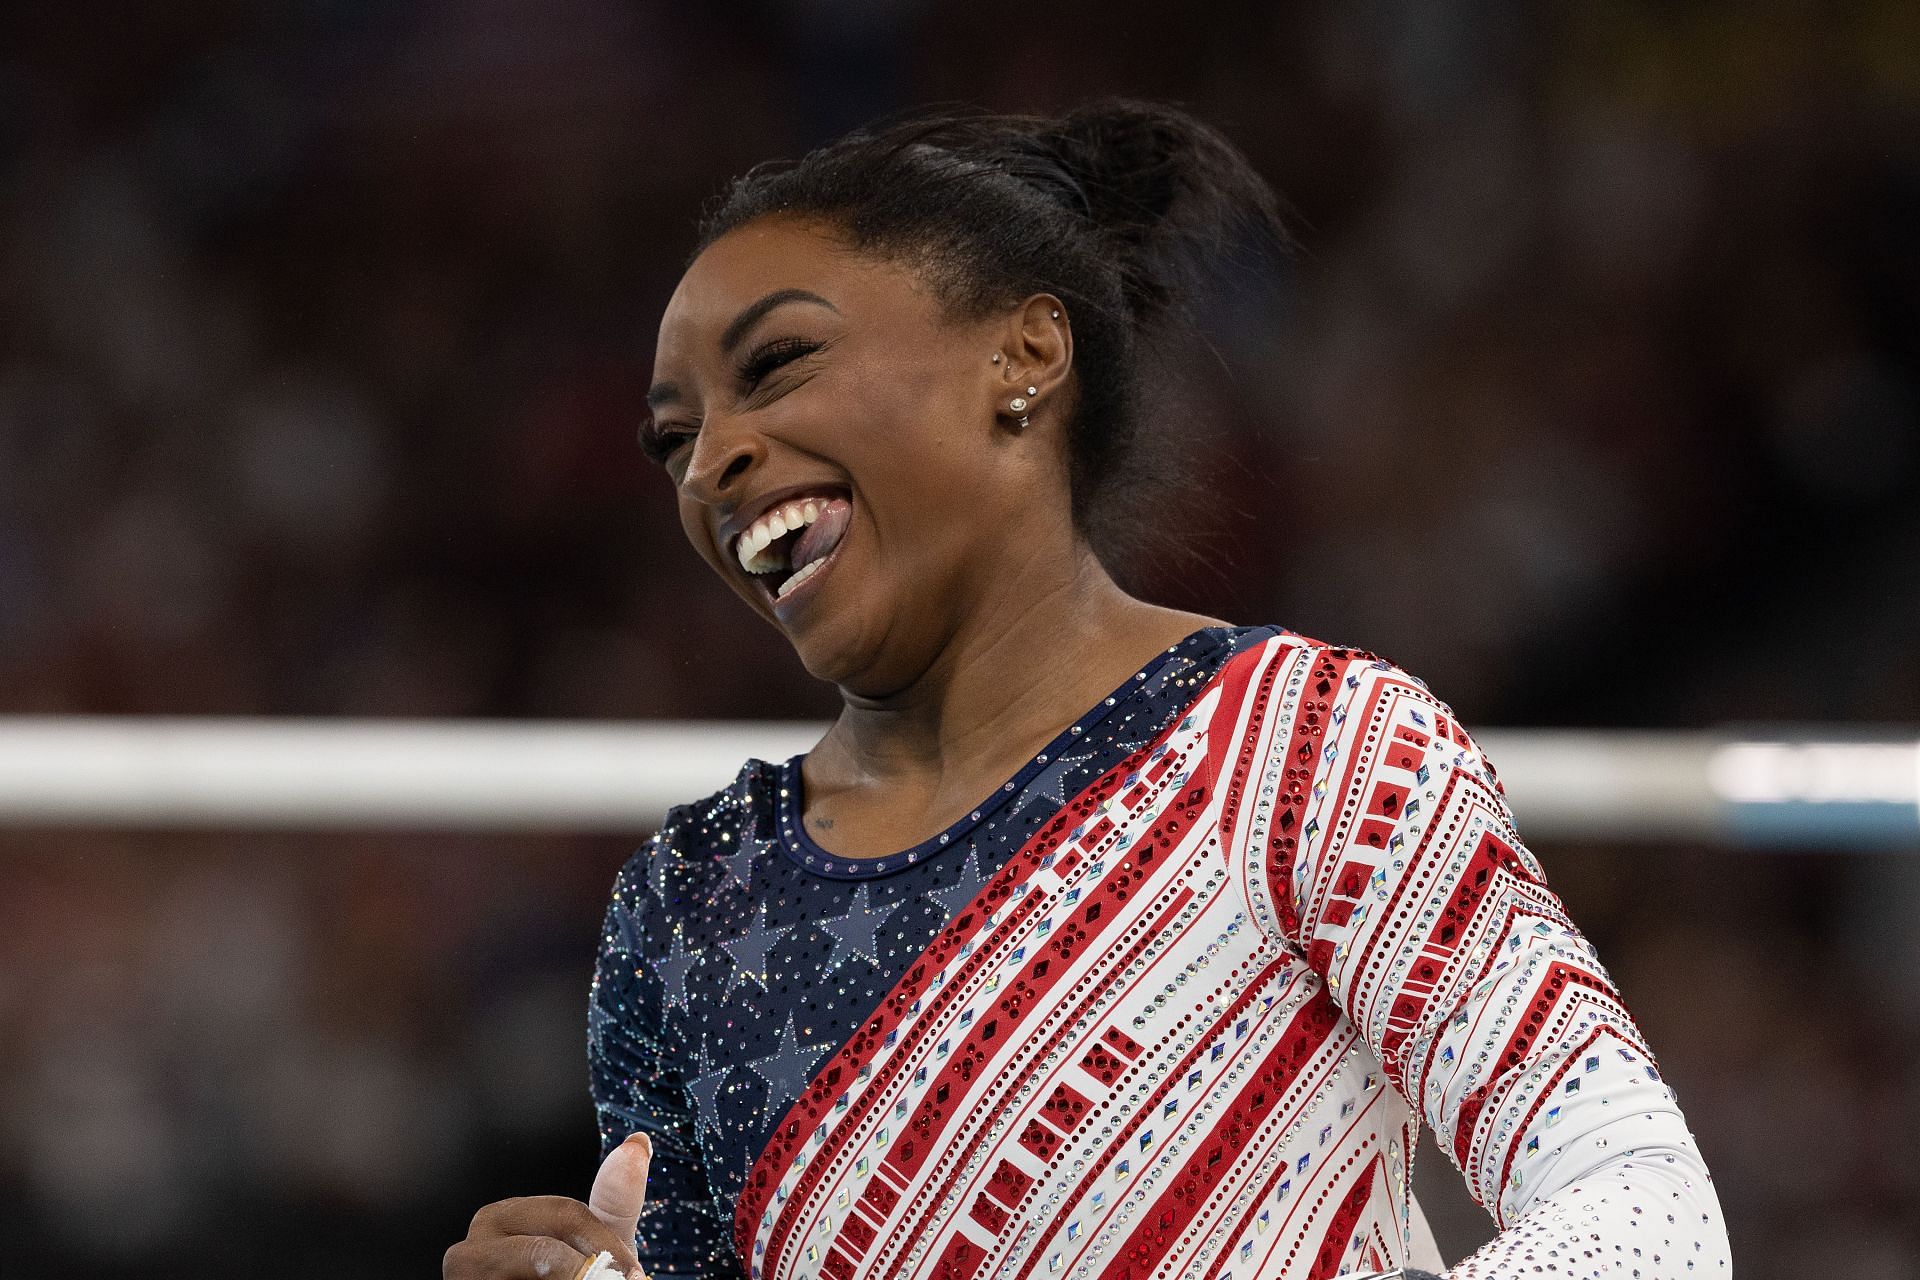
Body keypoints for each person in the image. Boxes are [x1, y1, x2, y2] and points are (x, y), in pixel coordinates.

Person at [445, 100, 1730, 1280]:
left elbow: (1649, 1212)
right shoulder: (687, 900)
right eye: (674, 438)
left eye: (777, 363)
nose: (711, 456)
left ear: (1026, 351)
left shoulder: (1303, 746)